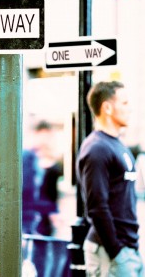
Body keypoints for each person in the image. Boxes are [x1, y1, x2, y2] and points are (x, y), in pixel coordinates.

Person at [76, 81, 143, 276]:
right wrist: (116, 251)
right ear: (107, 107)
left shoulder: (117, 145)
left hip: (128, 249)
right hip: (110, 252)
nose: (130, 108)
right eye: (124, 103)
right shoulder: (97, 148)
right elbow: (96, 206)